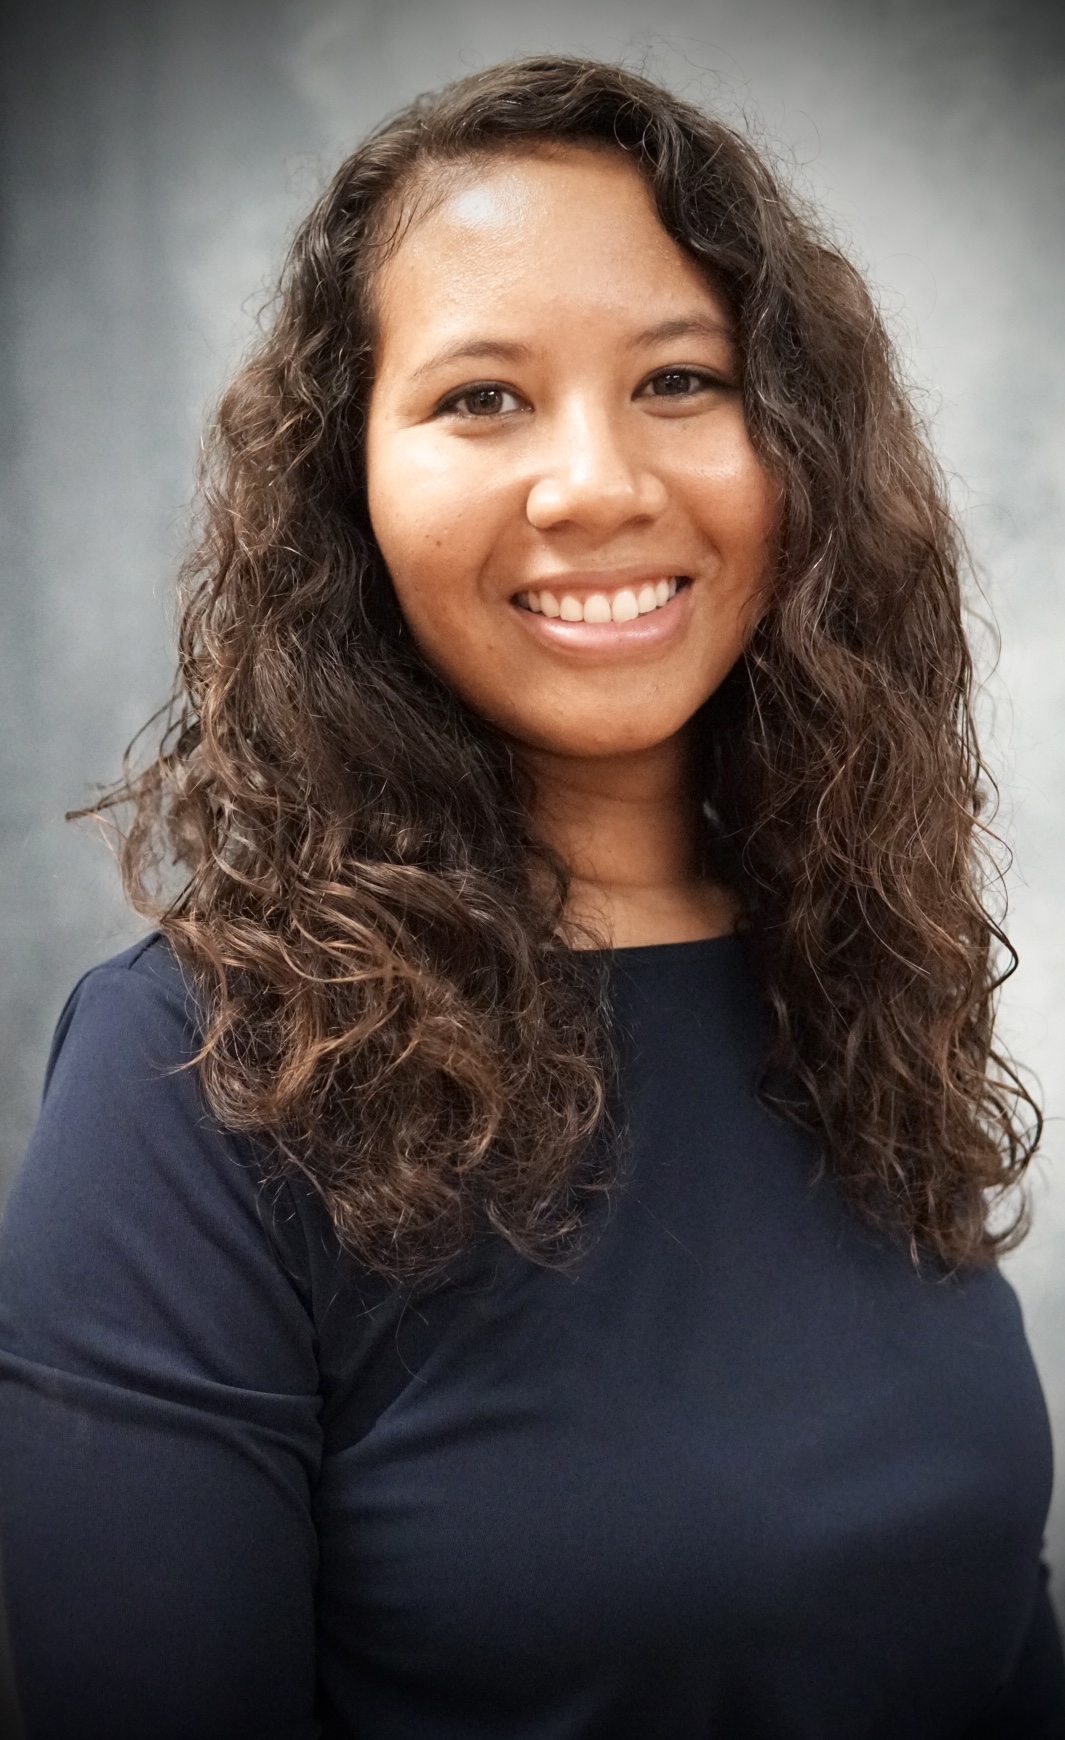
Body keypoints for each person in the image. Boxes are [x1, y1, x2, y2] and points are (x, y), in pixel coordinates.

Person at [0, 54, 1061, 1740]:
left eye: (681, 381)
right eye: (480, 398)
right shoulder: (190, 1081)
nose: (593, 485)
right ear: (350, 484)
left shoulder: (855, 971)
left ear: (795, 448)